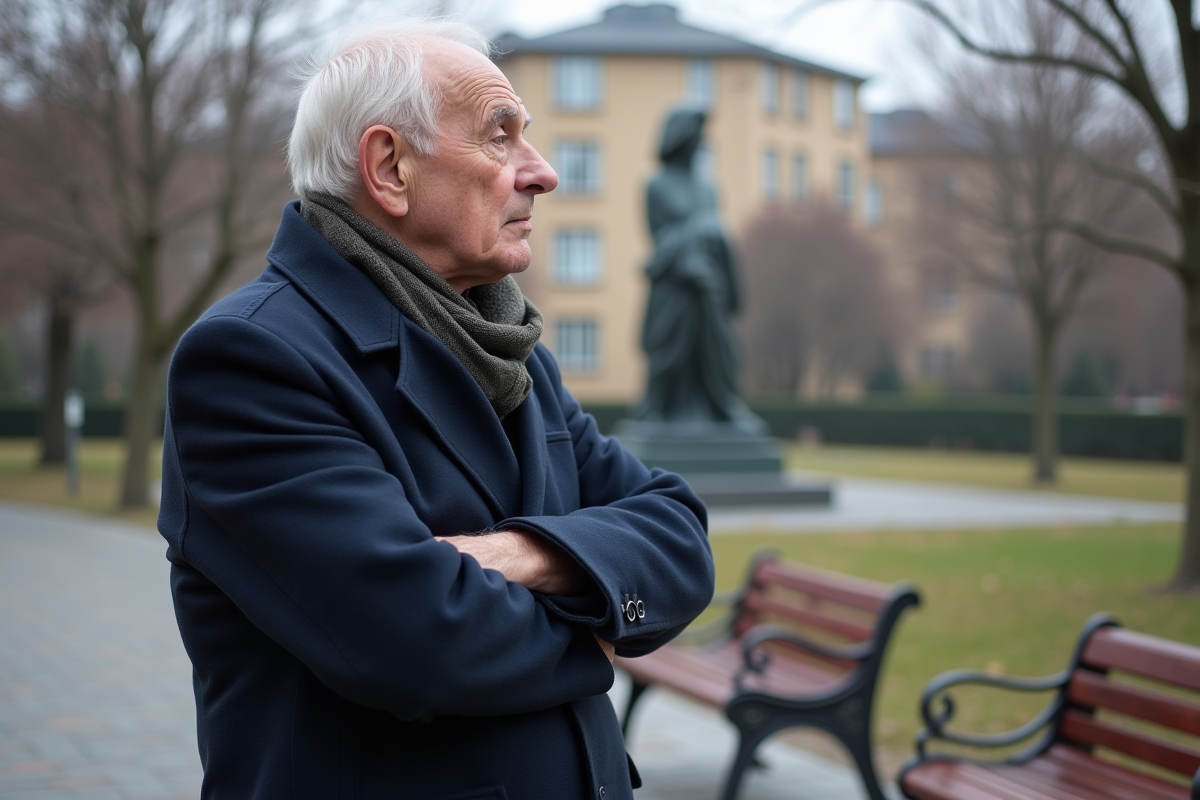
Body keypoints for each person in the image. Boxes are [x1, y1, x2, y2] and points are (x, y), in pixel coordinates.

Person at [157, 21, 714, 800]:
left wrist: (526, 556)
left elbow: (680, 536)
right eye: (500, 135)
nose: (543, 172)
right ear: (389, 167)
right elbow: (417, 642)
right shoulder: (254, 360)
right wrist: (598, 631)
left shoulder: (511, 355)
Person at [636, 105, 748, 428]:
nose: (702, 140)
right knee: (669, 350)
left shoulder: (710, 187)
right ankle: (659, 409)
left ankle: (722, 407)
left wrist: (708, 237)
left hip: (709, 282)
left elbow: (717, 232)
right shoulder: (655, 185)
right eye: (697, 133)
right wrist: (697, 235)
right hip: (675, 283)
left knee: (716, 347)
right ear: (682, 137)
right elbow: (661, 238)